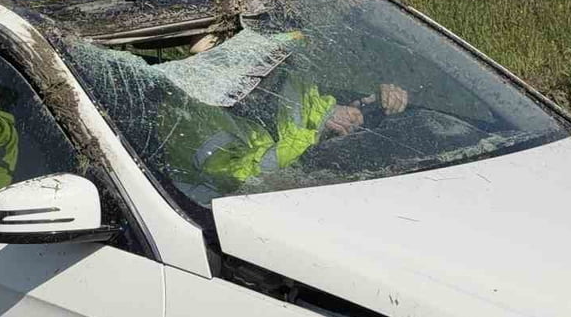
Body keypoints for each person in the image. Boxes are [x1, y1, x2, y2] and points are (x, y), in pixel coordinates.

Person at [158, 29, 408, 194]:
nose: (276, 67)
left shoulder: (284, 81)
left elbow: (318, 111)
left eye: (274, 58)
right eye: (265, 60)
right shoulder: (188, 114)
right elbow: (238, 177)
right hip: (213, 222)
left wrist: (362, 105)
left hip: (299, 191)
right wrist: (316, 135)